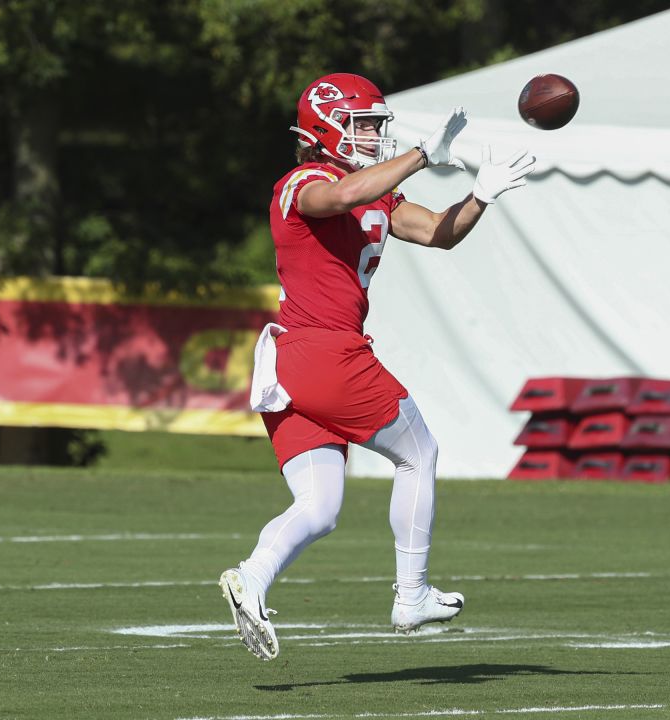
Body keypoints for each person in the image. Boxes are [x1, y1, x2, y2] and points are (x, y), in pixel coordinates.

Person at [219, 73, 536, 661]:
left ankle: (250, 580)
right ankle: (410, 594)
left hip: (296, 364)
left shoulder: (375, 192)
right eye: (362, 125)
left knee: (318, 509)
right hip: (327, 351)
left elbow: (438, 234)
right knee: (420, 453)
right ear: (325, 129)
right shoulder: (303, 181)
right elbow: (337, 198)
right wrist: (421, 155)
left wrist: (481, 197)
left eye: (375, 127)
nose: (371, 136)